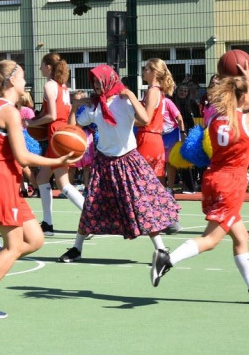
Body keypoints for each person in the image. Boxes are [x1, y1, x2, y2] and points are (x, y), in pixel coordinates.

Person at [151, 63, 249, 302]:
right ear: (244, 99)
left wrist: (242, 83)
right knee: (211, 240)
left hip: (212, 178)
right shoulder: (246, 121)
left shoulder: (214, 119)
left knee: (241, 236)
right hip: (230, 183)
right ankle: (166, 259)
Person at [0, 61, 77, 319]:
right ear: (11, 80)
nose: (26, 82)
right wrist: (57, 161)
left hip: (2, 178)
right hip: (1, 180)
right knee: (12, 246)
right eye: (23, 76)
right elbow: (23, 157)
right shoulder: (9, 112)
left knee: (34, 239)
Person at [55, 65, 180, 264]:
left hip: (128, 162)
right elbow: (73, 128)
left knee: (141, 205)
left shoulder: (124, 102)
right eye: (93, 82)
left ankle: (162, 250)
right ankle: (77, 248)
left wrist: (130, 94)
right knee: (91, 207)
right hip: (104, 163)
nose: (96, 86)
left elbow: (145, 118)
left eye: (99, 81)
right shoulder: (95, 106)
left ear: (109, 80)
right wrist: (75, 106)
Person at [27, 52, 84, 235]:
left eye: (42, 65)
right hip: (62, 132)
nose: (40, 68)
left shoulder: (50, 85)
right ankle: (47, 224)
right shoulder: (64, 88)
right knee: (42, 179)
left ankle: (92, 216)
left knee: (63, 183)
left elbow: (51, 115)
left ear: (49, 67)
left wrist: (30, 123)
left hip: (56, 133)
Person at [136, 58, 175, 182]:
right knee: (155, 183)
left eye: (146, 69)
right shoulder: (159, 91)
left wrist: (124, 121)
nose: (143, 71)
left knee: (142, 182)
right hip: (155, 138)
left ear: (154, 72)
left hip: (148, 137)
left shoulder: (152, 91)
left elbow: (146, 120)